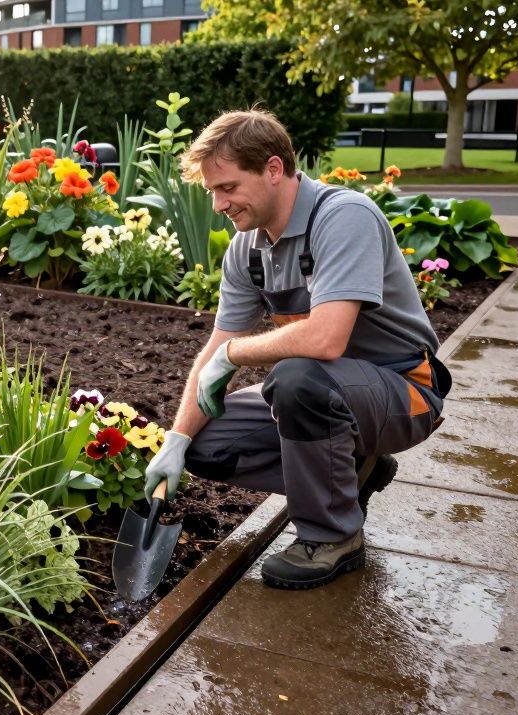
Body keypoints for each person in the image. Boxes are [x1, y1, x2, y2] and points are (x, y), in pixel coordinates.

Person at [142, 110, 450, 590]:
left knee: (297, 379)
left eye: (227, 187)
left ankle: (332, 536)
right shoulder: (247, 250)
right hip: (337, 394)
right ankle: (350, 469)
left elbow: (325, 339)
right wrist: (176, 441)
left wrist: (235, 356)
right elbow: (215, 348)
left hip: (405, 392)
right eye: (212, 192)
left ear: (272, 169)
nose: (219, 203)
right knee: (208, 441)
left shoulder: (344, 217)